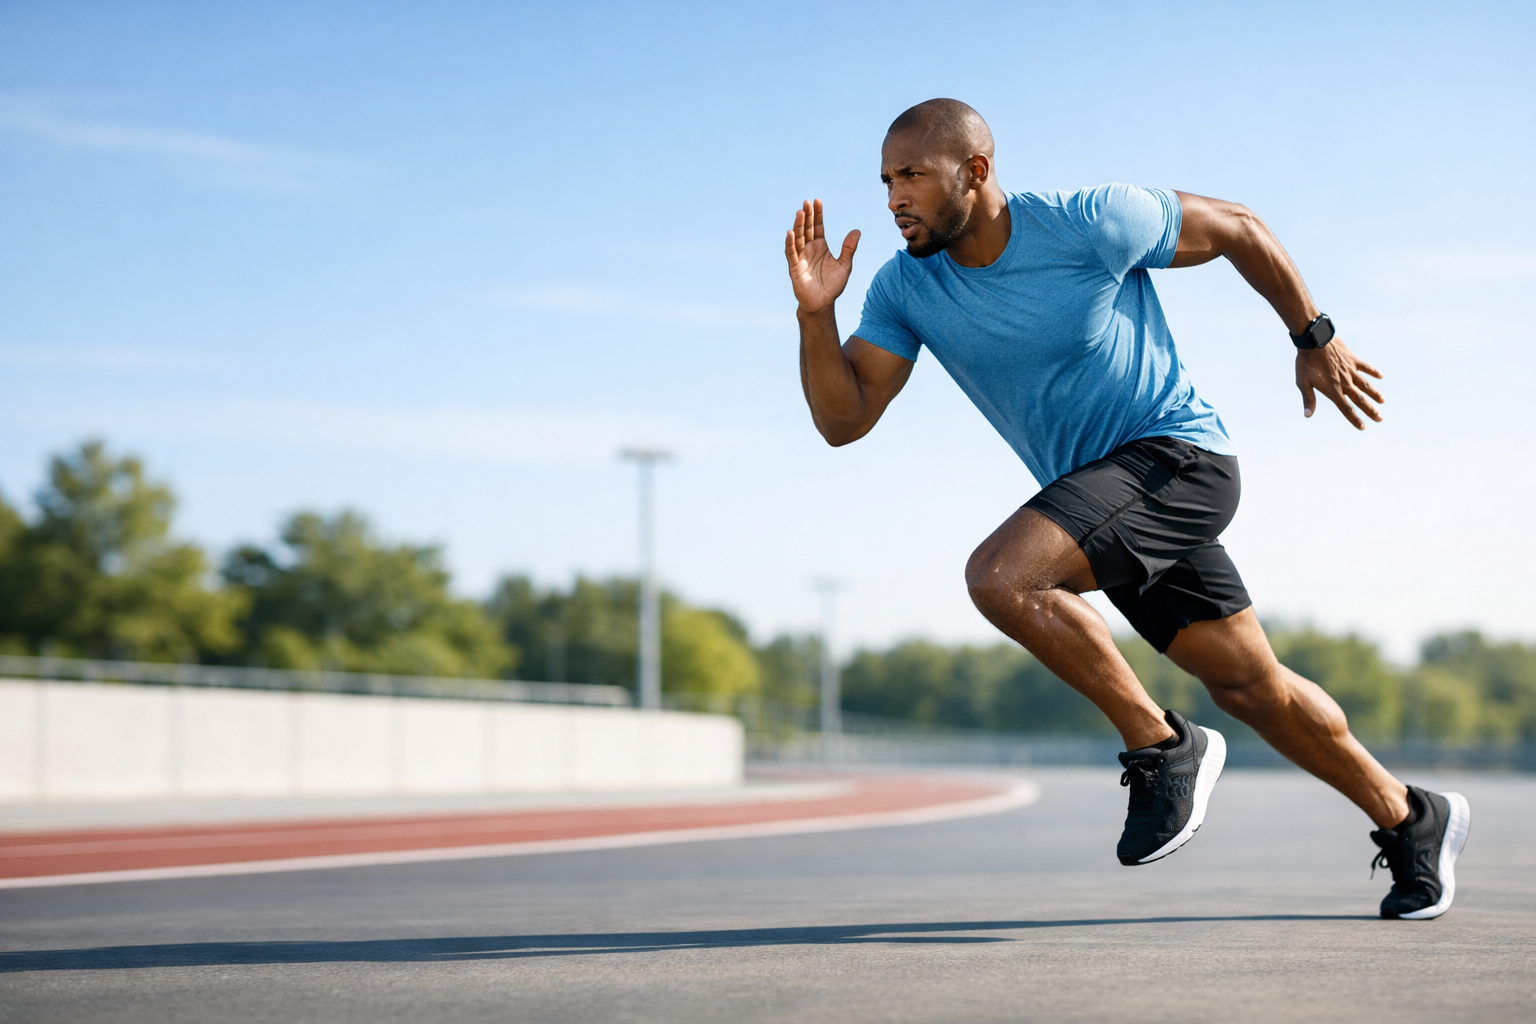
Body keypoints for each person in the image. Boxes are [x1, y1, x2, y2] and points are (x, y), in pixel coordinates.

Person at [784, 98, 1470, 919]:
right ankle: (1411, 817)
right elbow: (844, 420)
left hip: (1177, 459)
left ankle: (1163, 748)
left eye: (913, 177)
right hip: (1104, 503)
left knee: (1003, 579)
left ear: (974, 172)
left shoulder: (1090, 223)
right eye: (887, 180)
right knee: (1252, 686)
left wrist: (1313, 336)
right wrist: (815, 314)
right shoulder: (907, 288)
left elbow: (1241, 227)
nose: (895, 198)